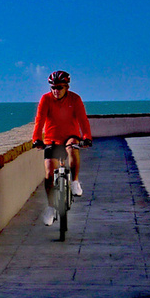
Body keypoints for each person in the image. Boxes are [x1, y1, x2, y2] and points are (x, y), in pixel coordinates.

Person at [32, 69, 92, 224]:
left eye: (59, 87)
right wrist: (37, 139)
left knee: (72, 147)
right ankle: (51, 207)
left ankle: (75, 182)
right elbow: (39, 121)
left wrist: (86, 137)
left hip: (70, 136)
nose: (55, 91)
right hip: (52, 139)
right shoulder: (46, 100)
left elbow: (83, 120)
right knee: (49, 173)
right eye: (53, 87)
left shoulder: (75, 99)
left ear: (67, 87)